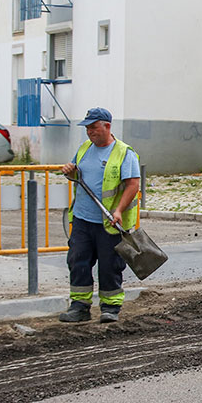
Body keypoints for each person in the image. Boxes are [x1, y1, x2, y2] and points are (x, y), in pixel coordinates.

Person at [59, 108, 141, 323]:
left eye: (93, 127)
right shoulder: (84, 148)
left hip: (110, 223)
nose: (90, 132)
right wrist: (70, 171)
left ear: (107, 126)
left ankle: (110, 307)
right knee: (78, 261)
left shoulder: (124, 152)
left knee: (109, 265)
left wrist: (118, 210)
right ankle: (79, 307)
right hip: (82, 219)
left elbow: (133, 184)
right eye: (87, 128)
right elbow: (77, 174)